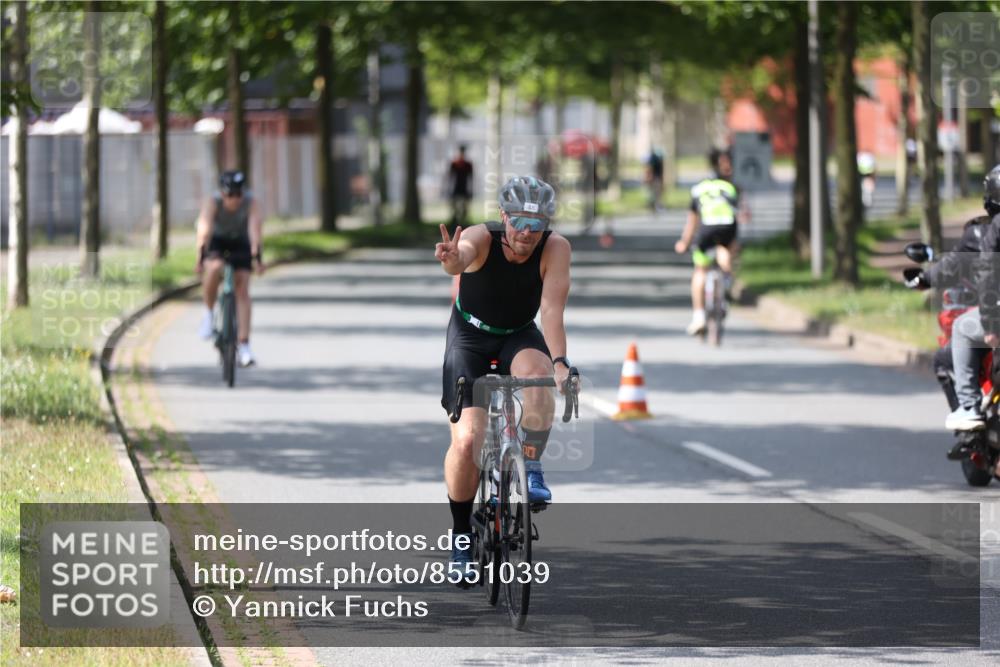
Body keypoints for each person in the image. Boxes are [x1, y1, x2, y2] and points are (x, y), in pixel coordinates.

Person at [435, 175, 572, 585]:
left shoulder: (556, 248)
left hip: (518, 332)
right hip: (470, 336)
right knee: (467, 441)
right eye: (519, 222)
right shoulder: (482, 238)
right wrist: (451, 259)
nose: (527, 233)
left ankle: (530, 464)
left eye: (537, 224)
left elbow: (551, 311)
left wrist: (561, 362)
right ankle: (460, 535)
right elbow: (461, 256)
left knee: (540, 375)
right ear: (503, 217)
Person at [946, 164, 1000, 431]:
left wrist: (991, 326)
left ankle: (968, 405)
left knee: (961, 327)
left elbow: (988, 272)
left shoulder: (995, 227)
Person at [195, 170, 264, 367]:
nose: (234, 199)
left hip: (240, 242)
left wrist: (257, 257)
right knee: (215, 268)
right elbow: (205, 228)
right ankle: (208, 315)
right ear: (222, 193)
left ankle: (244, 346)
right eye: (230, 195)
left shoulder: (251, 203)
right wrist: (200, 257)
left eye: (238, 194)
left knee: (242, 288)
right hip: (217, 241)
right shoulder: (213, 202)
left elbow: (254, 230)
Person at [675, 148, 742, 335]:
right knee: (725, 252)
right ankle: (726, 283)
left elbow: (692, 221)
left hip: (706, 229)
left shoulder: (698, 189)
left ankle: (698, 317)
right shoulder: (730, 188)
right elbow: (739, 215)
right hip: (728, 226)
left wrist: (684, 242)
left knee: (700, 271)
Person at [448, 145, 473, 228]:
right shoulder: (454, 164)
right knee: (454, 206)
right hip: (456, 188)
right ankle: (455, 220)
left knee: (464, 207)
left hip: (464, 188)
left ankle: (462, 221)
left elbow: (471, 178)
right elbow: (450, 177)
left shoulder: (468, 164)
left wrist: (470, 189)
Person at [646, 148, 664, 212]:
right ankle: (654, 205)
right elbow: (650, 169)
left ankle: (654, 205)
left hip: (655, 178)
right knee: (655, 193)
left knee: (655, 192)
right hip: (655, 178)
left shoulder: (654, 159)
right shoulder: (655, 159)